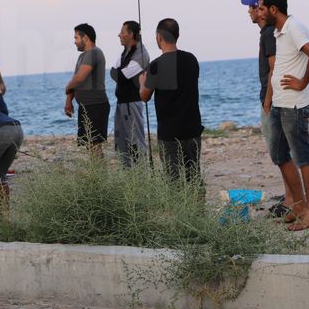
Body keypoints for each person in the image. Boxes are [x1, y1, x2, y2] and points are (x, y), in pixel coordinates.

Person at [257, 0, 309, 231]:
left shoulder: (295, 27)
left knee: (303, 157)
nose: (259, 13)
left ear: (274, 9)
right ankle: (298, 205)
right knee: (279, 155)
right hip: (279, 103)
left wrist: (302, 83)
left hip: (294, 105)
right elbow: (278, 67)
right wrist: (269, 97)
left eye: (262, 8)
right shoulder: (278, 32)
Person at [138, 19, 204, 196]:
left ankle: (179, 212)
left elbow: (144, 96)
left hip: (170, 133)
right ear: (177, 35)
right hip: (192, 129)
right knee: (194, 176)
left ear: (159, 37)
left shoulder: (156, 65)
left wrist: (142, 81)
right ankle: (199, 210)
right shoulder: (191, 59)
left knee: (173, 181)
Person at [242, 0, 286, 214]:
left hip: (272, 98)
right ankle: (291, 193)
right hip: (273, 97)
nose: (249, 12)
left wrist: (267, 99)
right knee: (280, 149)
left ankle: (292, 196)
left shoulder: (268, 34)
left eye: (251, 8)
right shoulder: (268, 33)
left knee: (278, 150)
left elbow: (273, 69)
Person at [64, 23, 109, 155]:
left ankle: (99, 169)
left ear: (85, 38)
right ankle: (95, 169)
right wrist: (68, 101)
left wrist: (66, 87)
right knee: (89, 145)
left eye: (76, 38)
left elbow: (79, 78)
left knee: (94, 145)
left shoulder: (94, 53)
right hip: (85, 106)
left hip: (96, 105)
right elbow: (75, 79)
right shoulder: (82, 56)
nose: (74, 42)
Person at [109, 20, 150, 167]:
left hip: (131, 103)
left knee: (135, 142)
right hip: (122, 103)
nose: (119, 35)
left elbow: (120, 76)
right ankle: (128, 175)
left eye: (122, 32)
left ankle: (141, 174)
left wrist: (119, 73)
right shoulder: (126, 52)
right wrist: (119, 73)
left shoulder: (141, 54)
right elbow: (112, 72)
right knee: (121, 142)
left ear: (131, 34)